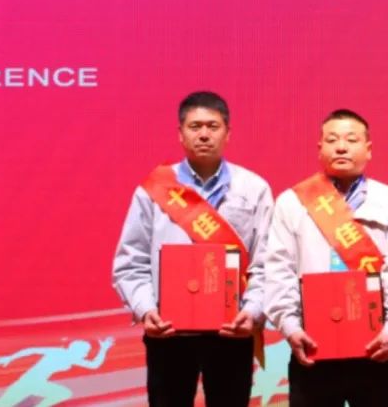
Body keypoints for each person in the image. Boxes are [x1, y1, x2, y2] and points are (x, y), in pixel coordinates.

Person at [112, 91, 272, 406]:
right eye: (195, 126)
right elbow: (131, 262)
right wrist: (146, 310)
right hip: (169, 333)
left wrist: (252, 311)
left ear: (228, 133)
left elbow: (267, 262)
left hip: (231, 331)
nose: (204, 134)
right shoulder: (154, 190)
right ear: (180, 133)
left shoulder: (254, 188)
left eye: (213, 126)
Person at [263, 109, 388, 406]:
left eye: (351, 140)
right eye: (332, 140)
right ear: (319, 148)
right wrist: (291, 328)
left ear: (368, 149)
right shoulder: (292, 202)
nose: (341, 147)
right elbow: (279, 270)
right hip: (313, 346)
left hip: (378, 347)